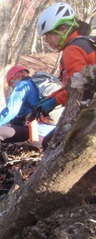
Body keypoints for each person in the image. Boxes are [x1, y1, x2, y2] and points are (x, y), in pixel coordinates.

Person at [0, 65, 55, 187]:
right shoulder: (36, 86)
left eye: (11, 82)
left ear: (17, 75)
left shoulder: (23, 86)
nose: (12, 86)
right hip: (51, 129)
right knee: (1, 132)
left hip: (35, 130)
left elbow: (11, 111)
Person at [36, 2, 96, 147]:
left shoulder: (72, 50)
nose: (46, 40)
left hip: (91, 112)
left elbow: (79, 88)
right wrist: (52, 98)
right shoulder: (86, 42)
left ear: (63, 28)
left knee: (52, 143)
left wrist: (54, 101)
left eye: (48, 35)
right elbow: (75, 82)